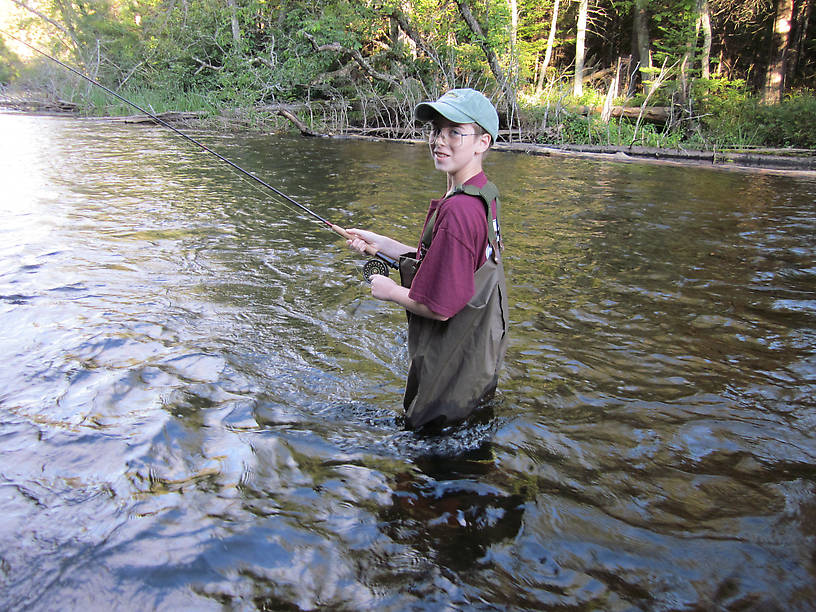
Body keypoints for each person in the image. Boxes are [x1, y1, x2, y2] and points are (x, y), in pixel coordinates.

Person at [347, 88, 509, 430]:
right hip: (473, 372)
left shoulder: (460, 211)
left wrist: (386, 288)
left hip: (447, 390)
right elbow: (454, 262)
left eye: (455, 132)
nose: (440, 140)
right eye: (436, 130)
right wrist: (382, 243)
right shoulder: (482, 194)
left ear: (483, 142)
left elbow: (440, 306)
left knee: (419, 472)